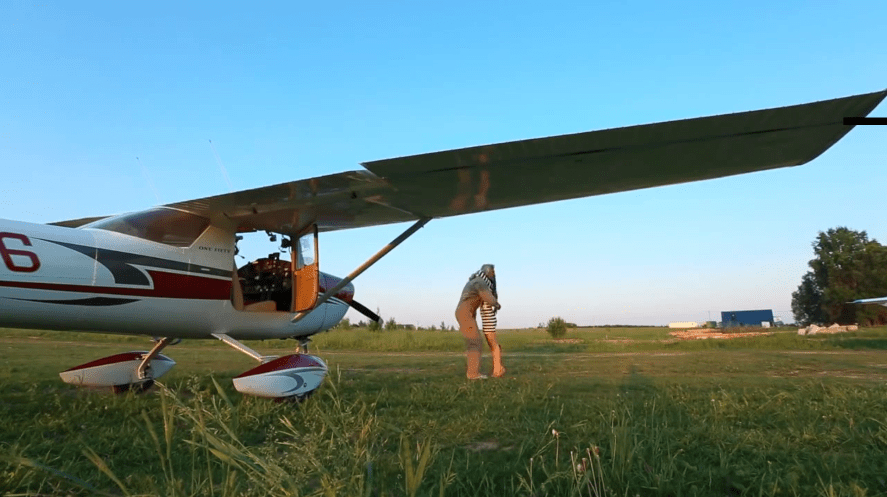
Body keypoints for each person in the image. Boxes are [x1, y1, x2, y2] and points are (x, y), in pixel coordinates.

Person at [455, 264, 505, 379]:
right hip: (465, 314)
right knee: (475, 342)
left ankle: (473, 372)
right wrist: (497, 305)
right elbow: (488, 298)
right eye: (492, 273)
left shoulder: (476, 280)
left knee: (474, 342)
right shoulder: (480, 282)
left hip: (465, 314)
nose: (493, 276)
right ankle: (473, 374)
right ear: (488, 272)